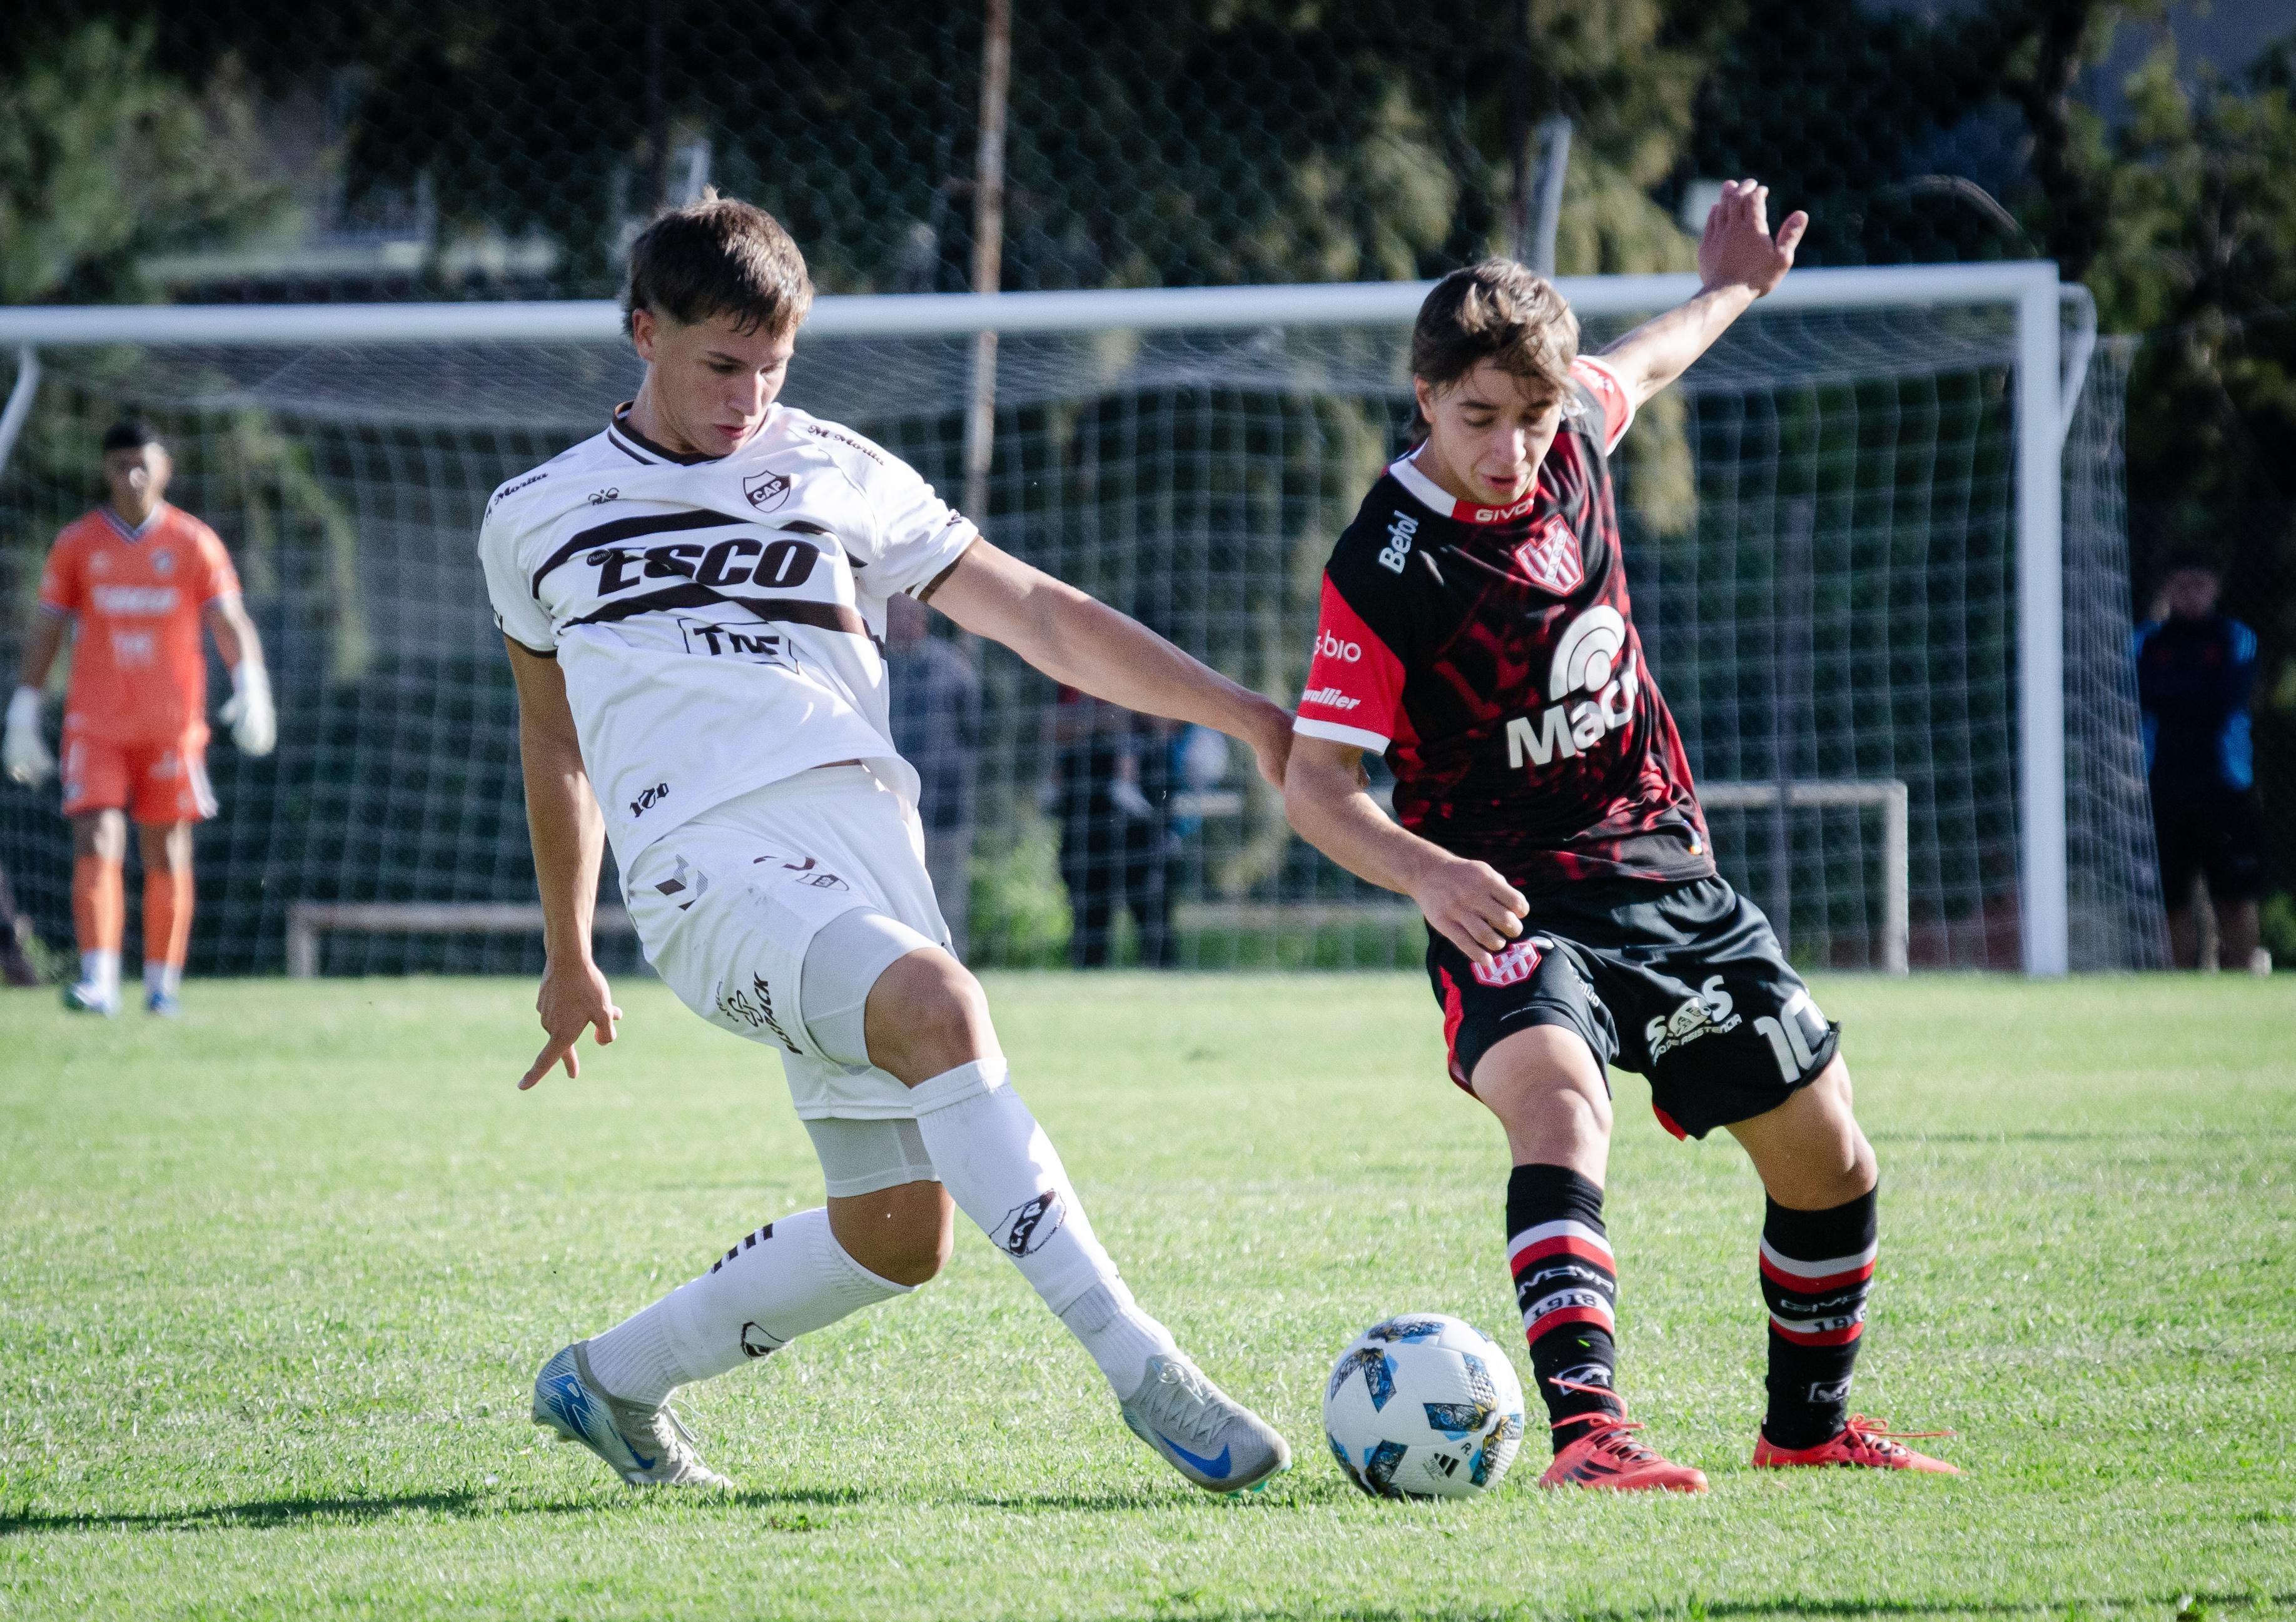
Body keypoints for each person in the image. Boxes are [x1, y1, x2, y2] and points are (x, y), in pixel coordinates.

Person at [482, 194, 1293, 1493]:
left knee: (894, 1238)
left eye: (773, 366)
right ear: (643, 331)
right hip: (703, 873)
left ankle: (607, 1381)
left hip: (865, 867)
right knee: (939, 1006)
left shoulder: (838, 468)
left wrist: (1243, 711)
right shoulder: (534, 514)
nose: (748, 397)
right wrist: (568, 949)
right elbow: (552, 740)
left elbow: (1036, 612)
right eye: (718, 365)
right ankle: (1143, 1369)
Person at [1282, 183, 1955, 1491]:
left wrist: (1736, 284)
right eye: (1477, 418)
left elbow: (1647, 355)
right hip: (1503, 897)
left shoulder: (1576, 434)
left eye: (1530, 418)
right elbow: (1314, 784)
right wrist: (1426, 874)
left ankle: (1803, 1436)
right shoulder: (1381, 564)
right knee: (1557, 1105)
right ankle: (1590, 1436)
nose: (1509, 448)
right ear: (1422, 398)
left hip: (1657, 866)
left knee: (1829, 1155)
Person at [3, 420, 276, 1015]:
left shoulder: (192, 541)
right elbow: (47, 628)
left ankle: (161, 985)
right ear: (105, 470)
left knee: (166, 847)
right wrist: (24, 709)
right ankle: (99, 980)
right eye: (120, 464)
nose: (131, 476)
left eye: (142, 464)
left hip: (171, 727)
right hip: (95, 725)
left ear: (165, 469)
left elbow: (230, 622)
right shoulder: (78, 543)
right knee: (96, 834)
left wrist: (251, 686)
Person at [2133, 556, 2270, 973]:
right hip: (2163, 787)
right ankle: (2179, 977)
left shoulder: (2236, 638)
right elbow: (2142, 695)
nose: (2190, 593)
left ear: (2214, 587)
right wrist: (2185, 695)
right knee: (2169, 898)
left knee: (2233, 895)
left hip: (2224, 786)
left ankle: (2242, 973)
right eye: (2181, 584)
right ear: (2168, 589)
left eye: (2199, 583)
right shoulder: (2147, 642)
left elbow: (2225, 700)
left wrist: (2176, 695)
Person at [884, 592, 979, 958]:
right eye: (901, 614)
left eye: (916, 614)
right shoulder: (872, 665)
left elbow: (973, 728)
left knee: (946, 895)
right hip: (887, 808)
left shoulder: (952, 665)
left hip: (944, 805)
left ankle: (954, 968)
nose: (911, 622)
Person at [1053, 691, 1177, 968]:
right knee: (1089, 924)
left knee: (1154, 921)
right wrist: (1102, 720)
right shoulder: (1070, 676)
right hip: (1086, 816)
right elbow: (1053, 728)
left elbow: (1171, 720)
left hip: (1143, 823)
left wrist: (1133, 709)